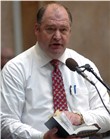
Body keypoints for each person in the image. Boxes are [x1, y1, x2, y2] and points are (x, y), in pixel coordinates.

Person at [1, 3, 110, 139]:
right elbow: (5, 123)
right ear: (37, 29)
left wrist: (80, 118)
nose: (57, 36)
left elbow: (107, 115)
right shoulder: (16, 69)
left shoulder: (84, 66)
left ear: (70, 31)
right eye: (51, 29)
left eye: (63, 29)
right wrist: (42, 137)